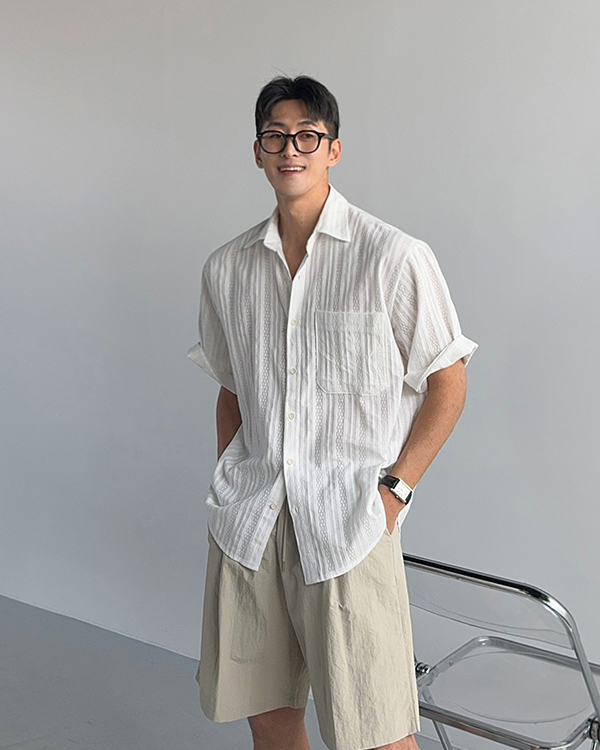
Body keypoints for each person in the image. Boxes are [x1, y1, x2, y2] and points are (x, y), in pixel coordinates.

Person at [187, 75, 477, 750]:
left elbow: (448, 381)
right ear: (257, 152)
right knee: (268, 717)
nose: (291, 149)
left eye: (307, 136)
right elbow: (232, 388)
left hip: (348, 523)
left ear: (333, 150)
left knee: (377, 730)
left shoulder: (393, 256)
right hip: (251, 522)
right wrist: (231, 478)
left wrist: (395, 491)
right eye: (275, 136)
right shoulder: (226, 269)